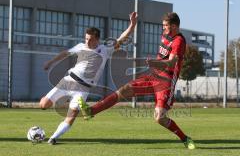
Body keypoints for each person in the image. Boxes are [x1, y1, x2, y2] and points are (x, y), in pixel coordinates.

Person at [80, 12, 196, 149]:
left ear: (175, 26)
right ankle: (91, 111)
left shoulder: (179, 41)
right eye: (163, 25)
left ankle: (185, 138)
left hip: (166, 82)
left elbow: (171, 63)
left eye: (165, 26)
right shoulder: (166, 35)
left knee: (159, 118)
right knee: (123, 91)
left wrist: (154, 63)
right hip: (153, 76)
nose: (163, 28)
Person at [39, 12, 138, 145]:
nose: (87, 41)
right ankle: (58, 103)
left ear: (97, 39)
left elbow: (122, 38)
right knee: (43, 105)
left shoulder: (105, 49)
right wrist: (50, 62)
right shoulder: (80, 47)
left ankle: (53, 138)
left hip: (83, 89)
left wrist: (132, 25)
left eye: (90, 39)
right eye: (86, 38)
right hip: (68, 81)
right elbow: (64, 53)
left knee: (71, 116)